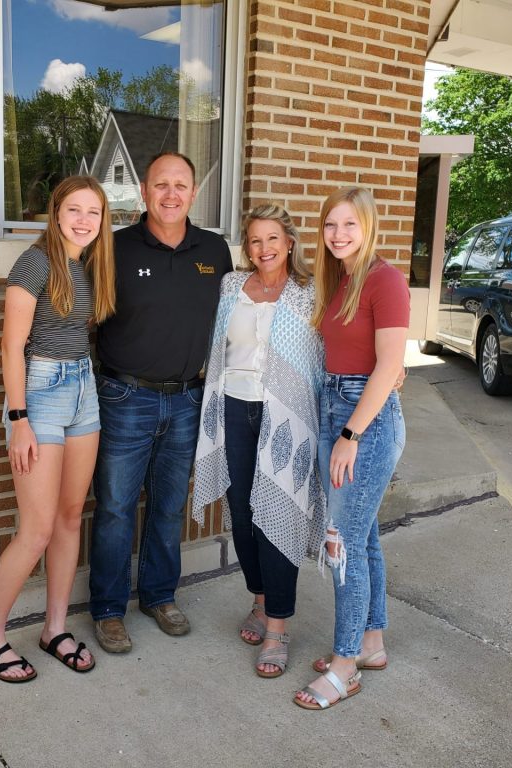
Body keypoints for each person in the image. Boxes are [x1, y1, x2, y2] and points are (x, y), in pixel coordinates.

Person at [88, 152, 233, 653]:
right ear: (144, 191)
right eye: (160, 184)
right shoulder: (111, 248)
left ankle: (157, 594)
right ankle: (107, 609)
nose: (171, 194)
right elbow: (83, 319)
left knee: (169, 508)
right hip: (124, 396)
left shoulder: (214, 250)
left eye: (181, 185)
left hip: (187, 399)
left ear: (194, 193)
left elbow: (238, 320)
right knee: (115, 509)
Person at [0, 176, 115, 683]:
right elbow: (11, 346)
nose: (83, 220)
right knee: (34, 529)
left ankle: (54, 628)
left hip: (84, 390)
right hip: (41, 392)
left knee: (71, 516)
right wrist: (19, 420)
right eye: (74, 210)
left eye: (93, 212)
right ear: (56, 213)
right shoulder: (35, 262)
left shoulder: (91, 265)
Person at [191, 204, 327, 678]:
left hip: (286, 415)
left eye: (273, 239)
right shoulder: (232, 286)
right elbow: (216, 345)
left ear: (290, 242)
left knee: (280, 513)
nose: (264, 248)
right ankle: (260, 599)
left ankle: (277, 628)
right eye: (254, 240)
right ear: (245, 247)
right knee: (244, 514)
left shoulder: (309, 293)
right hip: (232, 407)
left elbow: (331, 350)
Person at [294, 186, 409, 710]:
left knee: (341, 544)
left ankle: (345, 666)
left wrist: (349, 436)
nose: (338, 235)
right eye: (330, 225)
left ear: (369, 227)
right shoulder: (338, 280)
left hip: (364, 421)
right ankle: (372, 643)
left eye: (349, 225)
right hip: (335, 407)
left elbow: (388, 365)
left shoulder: (385, 279)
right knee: (363, 539)